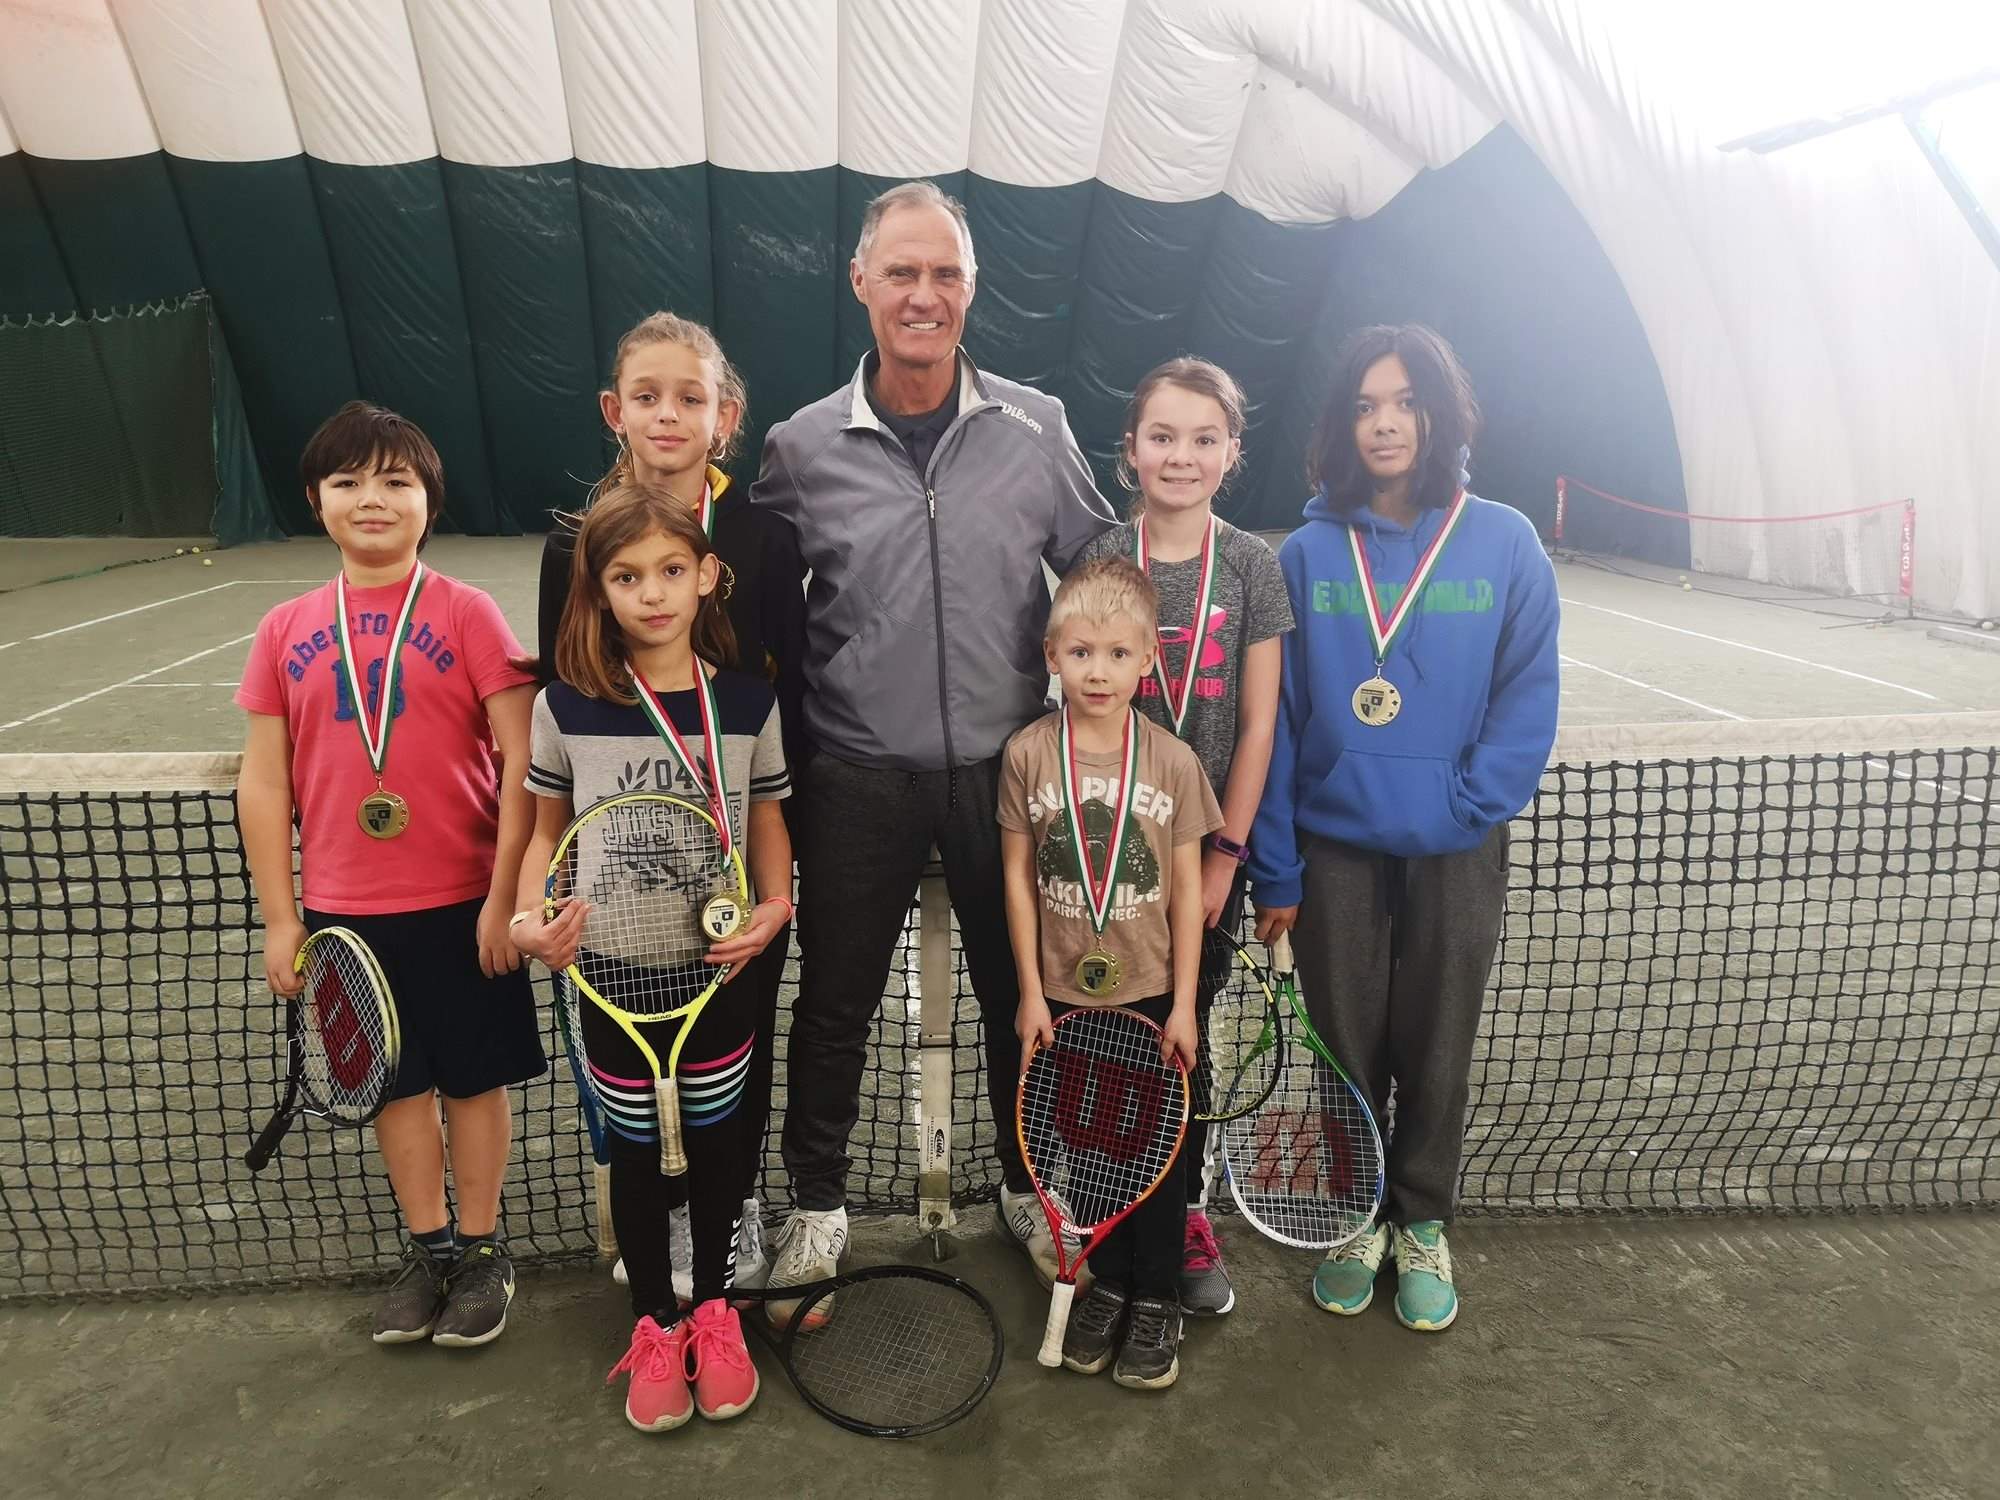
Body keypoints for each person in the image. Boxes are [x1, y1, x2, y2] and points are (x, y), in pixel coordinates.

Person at [749, 180, 1115, 1307]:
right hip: (852, 777)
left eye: (944, 273)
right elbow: (756, 608)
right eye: (901, 272)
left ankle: (1025, 1185)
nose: (923, 294)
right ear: (861, 282)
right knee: (834, 1006)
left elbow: (1099, 569)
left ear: (971, 287)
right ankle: (817, 1208)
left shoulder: (1036, 427)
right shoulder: (800, 447)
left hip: (1004, 777)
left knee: (1022, 995)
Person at [1247, 324, 1560, 1332]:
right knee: (1343, 1048)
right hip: (1333, 850)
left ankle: (1420, 1222)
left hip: (1456, 847)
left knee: (1436, 1044)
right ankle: (1355, 1215)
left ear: (1438, 413)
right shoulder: (1304, 554)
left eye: (1404, 402)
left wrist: (1463, 806)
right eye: (1364, 406)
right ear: (1341, 424)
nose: (1384, 424)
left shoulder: (1504, 541)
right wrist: (1276, 867)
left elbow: (1526, 697)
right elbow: (1276, 723)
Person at [235, 400, 543, 1347]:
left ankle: (483, 1250)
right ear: (315, 500)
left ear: (430, 502)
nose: (372, 498)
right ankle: (431, 1248)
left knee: (472, 1082)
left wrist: (504, 898)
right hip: (344, 920)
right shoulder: (284, 628)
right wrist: (281, 917)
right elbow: (263, 780)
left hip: (464, 906)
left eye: (396, 481)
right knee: (395, 1089)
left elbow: (525, 766)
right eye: (348, 481)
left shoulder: (467, 612)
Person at [510, 484, 794, 1432]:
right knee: (634, 1154)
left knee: (718, 1148)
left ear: (709, 577)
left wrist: (777, 903)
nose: (653, 593)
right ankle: (652, 1324)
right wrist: (528, 918)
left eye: (672, 570)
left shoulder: (749, 701)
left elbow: (768, 820)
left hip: (719, 975)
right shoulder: (564, 707)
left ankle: (713, 1309)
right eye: (627, 577)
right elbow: (544, 834)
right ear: (598, 589)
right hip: (611, 979)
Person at [534, 312, 801, 1296]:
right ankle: (656, 1217)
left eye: (690, 397)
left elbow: (790, 685)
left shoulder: (765, 536)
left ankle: (732, 1212)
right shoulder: (572, 546)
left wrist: (775, 878)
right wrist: (532, 892)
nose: (667, 414)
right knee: (629, 1071)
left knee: (737, 1054)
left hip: (730, 869)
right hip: (617, 891)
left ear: (724, 416)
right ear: (615, 411)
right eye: (646, 396)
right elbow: (560, 705)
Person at [1073, 357, 1292, 1317]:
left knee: (1180, 1040)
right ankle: (1109, 1217)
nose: (1181, 455)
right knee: (1107, 1041)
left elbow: (1258, 725)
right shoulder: (1099, 554)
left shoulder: (1251, 567)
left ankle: (1183, 1215)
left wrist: (1225, 858)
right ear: (1131, 449)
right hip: (1107, 861)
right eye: (1162, 436)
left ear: (1231, 452)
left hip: (1204, 862)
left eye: (1205, 439)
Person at [1001, 558, 1220, 1389]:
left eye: (1119, 654)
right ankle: (1111, 1277)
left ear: (1148, 660)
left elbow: (1189, 892)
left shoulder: (1173, 761)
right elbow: (1018, 879)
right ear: (1052, 654)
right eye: (1081, 652)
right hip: (1062, 997)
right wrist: (1030, 993)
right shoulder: (1027, 754)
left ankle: (1154, 1293)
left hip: (1153, 994)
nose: (1099, 671)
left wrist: (1185, 1006)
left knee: (1157, 1155)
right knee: (1091, 1145)